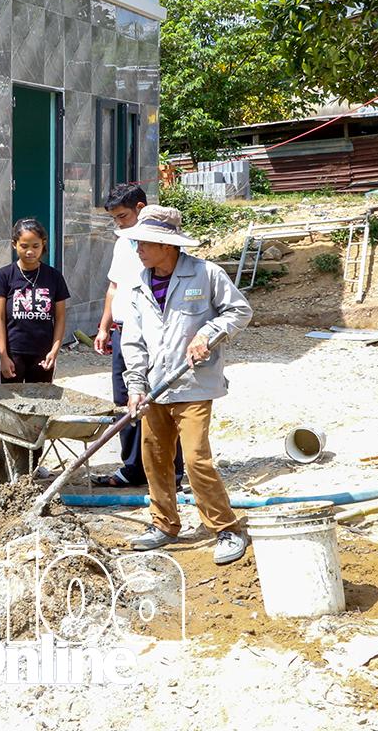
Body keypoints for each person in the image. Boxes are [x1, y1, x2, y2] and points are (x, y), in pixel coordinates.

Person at [118, 205, 254, 565]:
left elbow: (239, 311)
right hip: (155, 387)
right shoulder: (139, 286)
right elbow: (132, 342)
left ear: (168, 246)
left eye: (144, 243)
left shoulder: (206, 274)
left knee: (195, 459)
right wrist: (135, 386)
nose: (138, 250)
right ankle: (164, 524)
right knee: (154, 456)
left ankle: (225, 528)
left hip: (193, 384)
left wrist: (208, 334)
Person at [91, 183, 183, 488]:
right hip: (122, 330)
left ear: (141, 209)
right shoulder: (122, 243)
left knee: (159, 394)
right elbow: (114, 287)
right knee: (126, 399)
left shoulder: (163, 247)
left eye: (122, 216)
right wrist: (104, 326)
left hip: (151, 331)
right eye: (115, 218)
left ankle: (173, 467)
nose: (118, 223)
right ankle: (132, 467)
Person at [0, 217, 70, 384]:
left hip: (42, 355)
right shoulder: (3, 276)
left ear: (43, 244)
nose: (30, 252)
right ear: (14, 244)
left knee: (41, 403)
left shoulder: (54, 277)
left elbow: (60, 318)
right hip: (13, 354)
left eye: (35, 246)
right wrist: (3, 355)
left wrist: (54, 351)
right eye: (24, 246)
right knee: (9, 403)